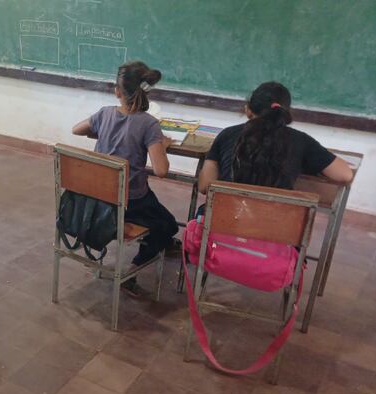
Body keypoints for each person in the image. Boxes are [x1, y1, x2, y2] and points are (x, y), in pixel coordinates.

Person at [72, 61, 178, 296]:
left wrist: (101, 131)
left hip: (97, 200)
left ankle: (161, 245)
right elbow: (161, 170)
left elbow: (76, 129)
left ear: (117, 91)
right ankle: (133, 270)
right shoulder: (149, 124)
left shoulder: (104, 113)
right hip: (132, 202)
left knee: (158, 217)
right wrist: (162, 145)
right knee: (168, 225)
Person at [198, 81, 353, 195]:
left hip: (224, 223)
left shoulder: (227, 134)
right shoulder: (300, 141)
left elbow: (205, 186)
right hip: (275, 227)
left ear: (248, 110)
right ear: (286, 113)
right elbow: (345, 174)